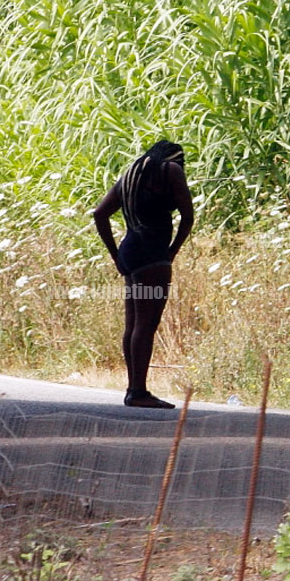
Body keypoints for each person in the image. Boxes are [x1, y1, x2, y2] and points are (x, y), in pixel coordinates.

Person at [93, 140, 194, 409]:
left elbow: (100, 214)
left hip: (131, 250)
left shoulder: (131, 173)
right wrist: (171, 252)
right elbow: (188, 217)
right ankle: (138, 391)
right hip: (153, 253)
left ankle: (133, 387)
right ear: (176, 158)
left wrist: (116, 255)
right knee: (146, 324)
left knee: (133, 324)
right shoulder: (171, 170)